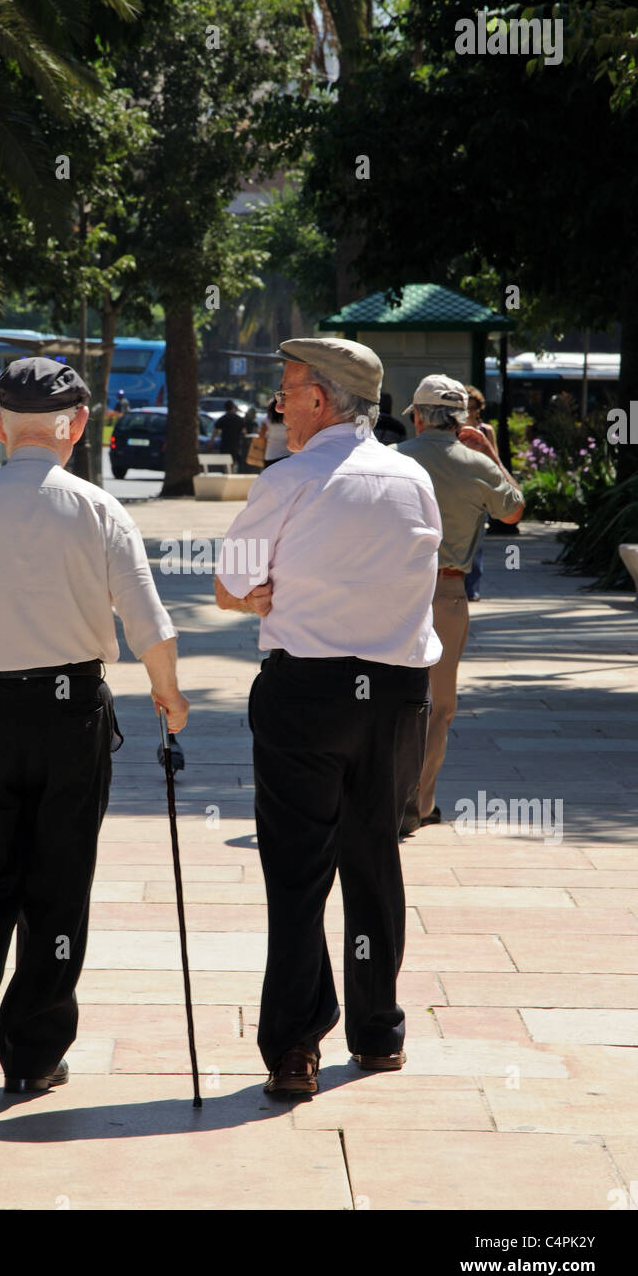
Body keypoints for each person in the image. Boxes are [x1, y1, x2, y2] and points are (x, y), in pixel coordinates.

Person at [0, 356, 189, 1109]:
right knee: (56, 886)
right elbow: (148, 620)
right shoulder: (98, 508)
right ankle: (33, 1056)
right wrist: (168, 695)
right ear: (78, 425)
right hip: (68, 714)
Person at [215, 337, 443, 1095]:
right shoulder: (412, 479)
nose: (278, 403)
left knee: (296, 872)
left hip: (307, 692)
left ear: (321, 398)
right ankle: (377, 1031)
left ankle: (294, 1047)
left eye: (286, 389)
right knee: (374, 857)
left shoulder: (291, 479)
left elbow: (234, 583)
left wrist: (255, 592)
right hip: (396, 695)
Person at [396, 375, 524, 833]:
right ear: (462, 421)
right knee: (437, 703)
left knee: (381, 693)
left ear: (416, 416)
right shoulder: (476, 464)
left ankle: (377, 798)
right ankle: (418, 804)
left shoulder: (392, 460)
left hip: (388, 592)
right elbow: (513, 510)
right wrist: (489, 453)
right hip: (446, 593)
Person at [462, 385, 498, 601]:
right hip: (460, 488)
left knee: (477, 543)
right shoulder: (453, 431)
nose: (470, 410)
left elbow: (495, 461)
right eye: (466, 406)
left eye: (473, 406)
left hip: (479, 491)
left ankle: (472, 589)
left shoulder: (487, 431)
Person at [256, 396, 291, 468]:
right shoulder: (290, 420)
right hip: (288, 456)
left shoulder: (267, 420)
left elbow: (261, 437)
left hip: (271, 455)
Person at [212, 399, 246, 469]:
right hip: (235, 444)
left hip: (225, 444)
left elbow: (216, 430)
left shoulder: (223, 418)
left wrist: (211, 441)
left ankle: (226, 472)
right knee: (232, 462)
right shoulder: (239, 419)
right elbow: (244, 432)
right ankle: (231, 472)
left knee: (224, 462)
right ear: (233, 407)